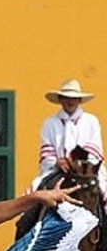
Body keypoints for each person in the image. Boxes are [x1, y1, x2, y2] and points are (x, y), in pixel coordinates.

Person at [33, 79, 107, 207]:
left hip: (87, 171)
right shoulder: (50, 123)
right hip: (58, 170)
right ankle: (27, 224)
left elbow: (95, 148)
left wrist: (77, 162)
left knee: (103, 191)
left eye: (74, 98)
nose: (70, 101)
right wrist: (57, 161)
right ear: (60, 100)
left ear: (79, 100)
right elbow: (46, 151)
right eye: (66, 98)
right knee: (34, 194)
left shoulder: (91, 121)